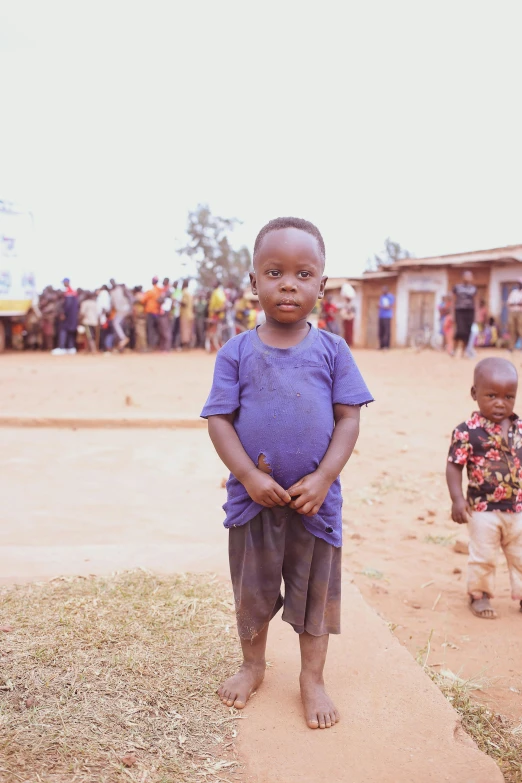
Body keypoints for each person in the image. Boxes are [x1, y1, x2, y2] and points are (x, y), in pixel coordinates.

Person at [201, 217, 373, 729]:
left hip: (314, 505)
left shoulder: (333, 350)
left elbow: (349, 418)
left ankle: (311, 679)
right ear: (253, 281)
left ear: (322, 284)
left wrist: (323, 478)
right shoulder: (236, 352)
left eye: (303, 274)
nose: (288, 284)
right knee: (252, 592)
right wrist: (247, 476)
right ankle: (253, 665)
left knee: (313, 595)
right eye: (274, 272)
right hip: (254, 501)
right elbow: (219, 420)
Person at [446, 357, 522, 619]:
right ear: (474, 393)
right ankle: (479, 595)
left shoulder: (520, 429)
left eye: (508, 396)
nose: (500, 403)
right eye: (491, 395)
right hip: (482, 509)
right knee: (484, 556)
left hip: (518, 509)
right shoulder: (467, 432)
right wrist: (457, 499)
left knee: (520, 556)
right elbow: (454, 466)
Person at [452, 271, 477, 357]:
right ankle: (454, 349)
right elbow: (453, 300)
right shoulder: (457, 287)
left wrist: (476, 315)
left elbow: (475, 301)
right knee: (460, 331)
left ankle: (464, 351)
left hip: (470, 311)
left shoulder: (473, 288)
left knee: (468, 332)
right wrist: (452, 313)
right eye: (467, 276)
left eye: (470, 276)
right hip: (459, 310)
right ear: (462, 277)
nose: (469, 277)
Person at [52, 278, 79, 355]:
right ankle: (71, 347)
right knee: (70, 331)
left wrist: (63, 313)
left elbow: (67, 306)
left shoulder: (68, 293)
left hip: (67, 317)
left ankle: (62, 347)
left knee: (63, 331)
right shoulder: (73, 292)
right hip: (73, 317)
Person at [110, 281, 131, 351]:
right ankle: (121, 345)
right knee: (118, 326)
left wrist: (131, 308)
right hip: (119, 311)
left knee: (116, 323)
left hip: (124, 309)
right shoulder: (112, 292)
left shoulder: (121, 289)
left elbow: (130, 297)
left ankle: (123, 338)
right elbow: (113, 304)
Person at [142, 276, 163, 349]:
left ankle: (151, 345)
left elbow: (143, 300)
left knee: (150, 329)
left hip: (150, 312)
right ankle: (157, 344)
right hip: (157, 313)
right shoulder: (160, 290)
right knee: (157, 329)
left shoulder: (150, 291)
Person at [506, 279, 522, 352]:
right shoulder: (514, 292)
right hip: (512, 312)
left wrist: (516, 304)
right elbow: (509, 303)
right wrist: (517, 304)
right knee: (512, 330)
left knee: (520, 329)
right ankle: (511, 347)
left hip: (520, 313)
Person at [158, 278, 173, 352]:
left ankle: (167, 348)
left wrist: (160, 298)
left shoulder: (168, 291)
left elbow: (160, 300)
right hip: (163, 312)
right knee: (163, 330)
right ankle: (163, 347)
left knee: (166, 330)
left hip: (166, 312)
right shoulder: (164, 290)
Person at [179, 279, 194, 349]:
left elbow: (184, 303)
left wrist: (177, 301)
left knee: (185, 330)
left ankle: (185, 346)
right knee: (188, 330)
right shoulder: (189, 292)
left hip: (185, 314)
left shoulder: (184, 292)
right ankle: (189, 345)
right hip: (190, 314)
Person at [132, 287, 148, 352]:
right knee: (139, 332)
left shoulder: (138, 296)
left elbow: (135, 308)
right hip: (141, 316)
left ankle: (143, 347)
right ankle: (139, 347)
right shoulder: (143, 295)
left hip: (140, 316)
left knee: (140, 332)